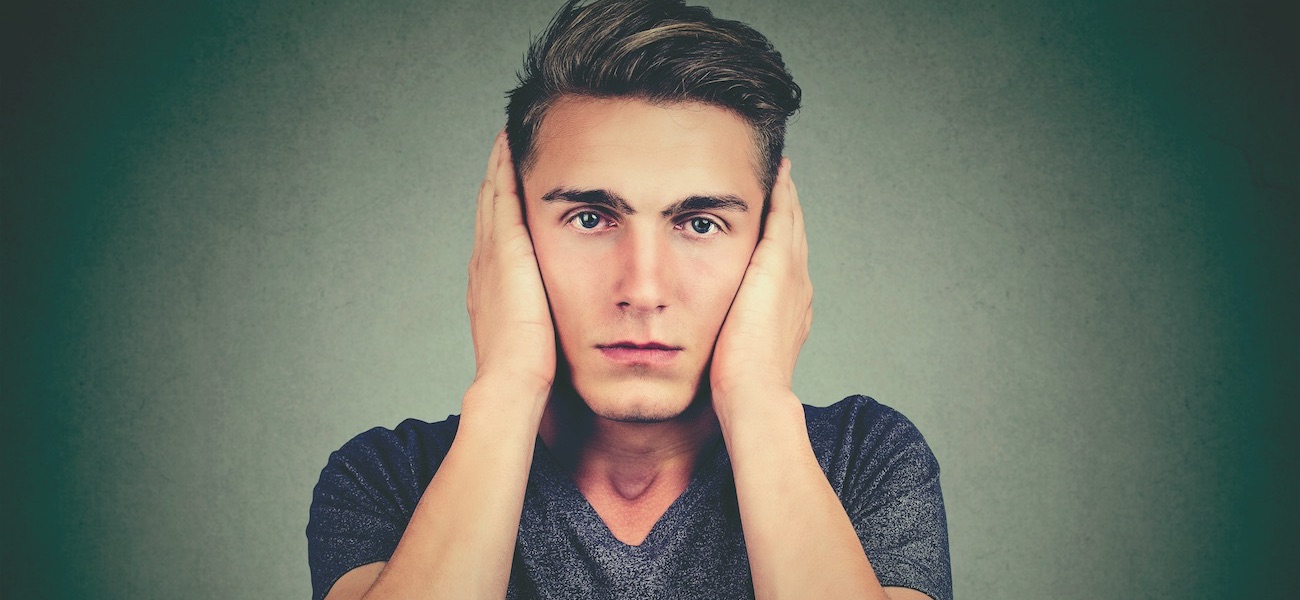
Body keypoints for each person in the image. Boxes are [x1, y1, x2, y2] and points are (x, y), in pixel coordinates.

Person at [307, 1, 951, 598]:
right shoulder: (387, 478)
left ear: (769, 246)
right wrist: (507, 386)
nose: (642, 291)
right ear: (510, 235)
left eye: (700, 223)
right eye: (590, 218)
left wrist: (755, 396)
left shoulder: (863, 458)